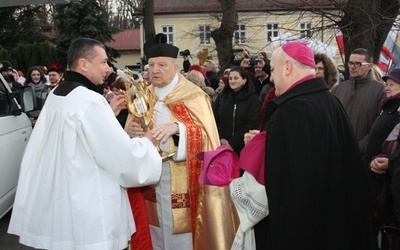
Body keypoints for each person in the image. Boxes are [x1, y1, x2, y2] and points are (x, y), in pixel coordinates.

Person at [7, 37, 163, 250]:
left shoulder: (58, 93)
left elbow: (78, 141)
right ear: (83, 64)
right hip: (89, 204)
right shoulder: (89, 100)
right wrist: (147, 142)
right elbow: (121, 158)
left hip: (65, 198)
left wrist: (108, 114)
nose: (107, 69)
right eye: (103, 62)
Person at [253, 42, 377, 249]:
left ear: (288, 67)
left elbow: (294, 187)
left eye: (273, 70)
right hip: (335, 225)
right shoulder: (329, 100)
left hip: (305, 232)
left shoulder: (296, 110)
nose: (272, 78)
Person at [125, 33, 237, 250]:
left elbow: (208, 137)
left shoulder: (193, 96)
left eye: (162, 65)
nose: (155, 70)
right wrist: (130, 129)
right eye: (151, 65)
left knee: (182, 235)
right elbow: (130, 129)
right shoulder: (143, 95)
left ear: (175, 67)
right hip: (150, 180)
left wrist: (178, 129)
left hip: (184, 178)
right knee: (154, 232)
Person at [364, 68, 400, 249]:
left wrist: (388, 160)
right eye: (386, 84)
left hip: (387, 179)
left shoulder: (397, 108)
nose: (387, 88)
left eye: (392, 85)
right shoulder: (388, 106)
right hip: (375, 174)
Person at [331, 48, 385, 155]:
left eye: (358, 64)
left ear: (369, 66)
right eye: (350, 63)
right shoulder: (338, 89)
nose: (352, 67)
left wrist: (359, 148)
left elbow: (379, 126)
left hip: (362, 156)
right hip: (336, 153)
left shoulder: (381, 91)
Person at [213, 65, 260, 156]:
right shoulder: (222, 97)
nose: (232, 81)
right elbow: (214, 119)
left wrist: (232, 143)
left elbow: (251, 124)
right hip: (221, 146)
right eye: (230, 78)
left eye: (236, 78)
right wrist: (220, 138)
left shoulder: (252, 99)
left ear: (244, 80)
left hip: (242, 147)